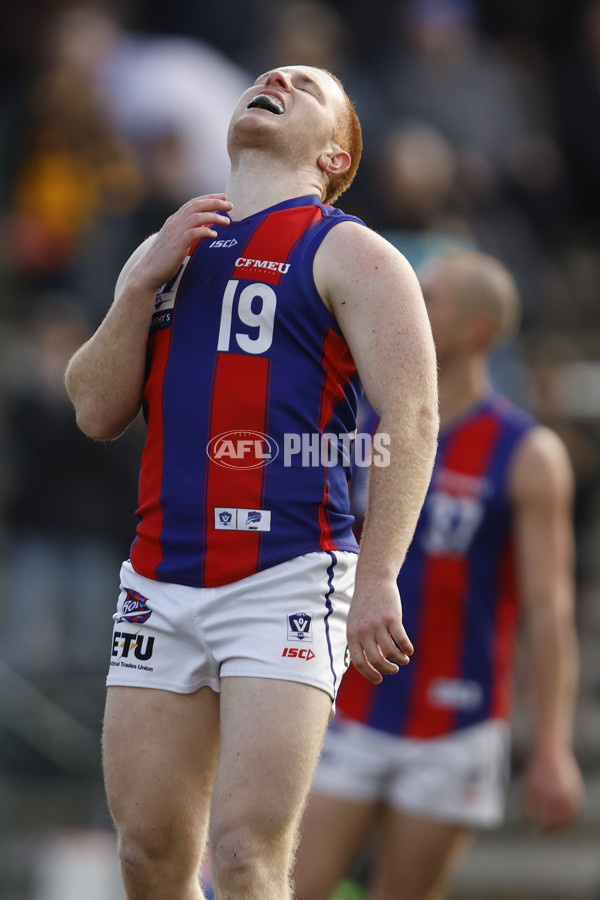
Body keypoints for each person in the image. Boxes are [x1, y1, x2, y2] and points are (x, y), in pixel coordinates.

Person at [63, 65, 439, 900]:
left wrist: (379, 576)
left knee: (242, 851)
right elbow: (93, 408)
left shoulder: (352, 249)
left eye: (307, 86)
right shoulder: (171, 245)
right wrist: (137, 285)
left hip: (288, 573)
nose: (277, 77)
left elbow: (410, 423)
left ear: (335, 155)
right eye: (273, 74)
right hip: (160, 576)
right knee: (147, 853)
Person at [294, 249, 585, 900]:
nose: (409, 309)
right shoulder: (360, 424)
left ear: (474, 330)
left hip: (458, 721)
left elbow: (549, 606)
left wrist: (551, 746)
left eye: (430, 300)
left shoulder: (528, 454)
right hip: (346, 704)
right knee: (293, 885)